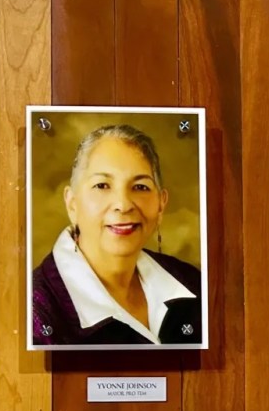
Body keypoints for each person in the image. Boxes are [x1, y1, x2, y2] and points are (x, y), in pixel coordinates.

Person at [31, 123, 202, 346]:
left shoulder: (193, 283)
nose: (123, 204)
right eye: (102, 185)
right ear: (72, 203)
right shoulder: (36, 308)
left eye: (140, 187)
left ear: (161, 205)